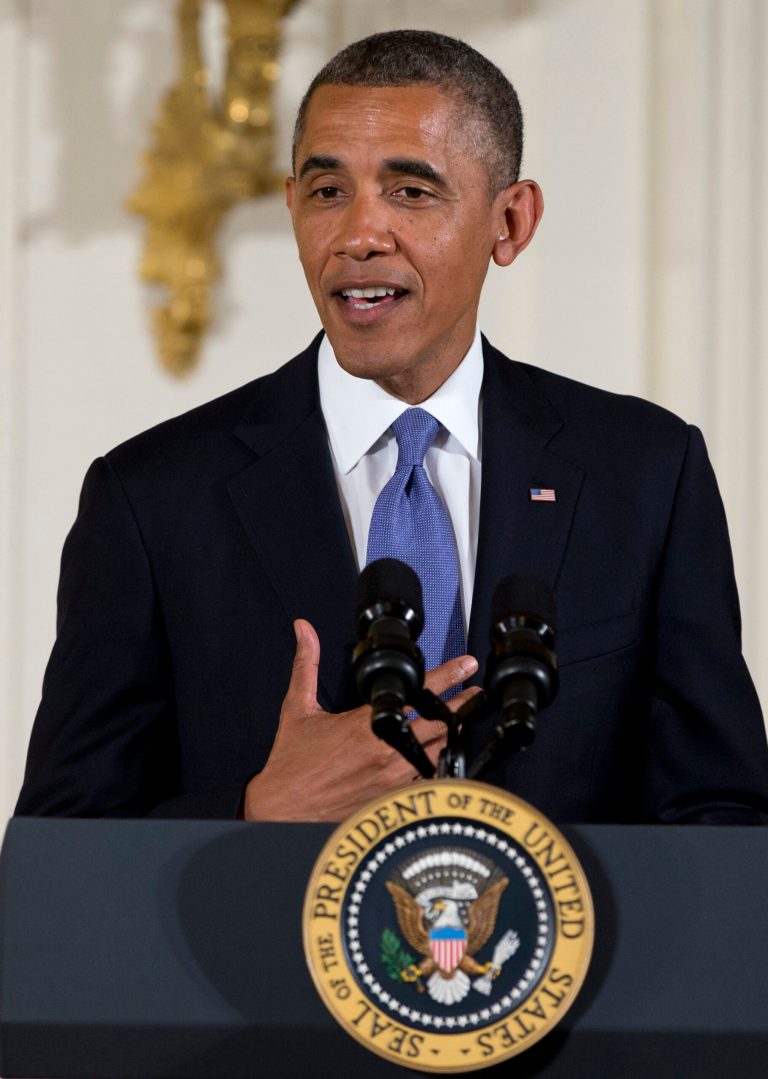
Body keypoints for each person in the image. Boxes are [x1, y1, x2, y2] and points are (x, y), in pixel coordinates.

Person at [15, 30, 768, 824]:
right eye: (327, 191)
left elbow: (726, 824)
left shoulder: (645, 474)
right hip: (255, 949)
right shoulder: (152, 498)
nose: (358, 236)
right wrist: (255, 810)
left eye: (411, 191)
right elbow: (57, 858)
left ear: (510, 221)